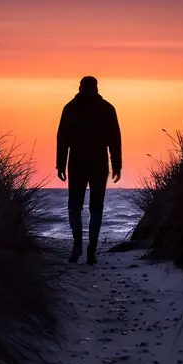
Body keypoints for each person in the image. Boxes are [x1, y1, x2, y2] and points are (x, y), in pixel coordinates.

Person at [56, 76, 122, 264]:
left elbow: (62, 138)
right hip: (97, 163)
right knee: (95, 208)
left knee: (76, 206)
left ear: (80, 87)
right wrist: (116, 164)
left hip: (78, 162)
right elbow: (115, 139)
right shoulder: (106, 108)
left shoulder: (71, 108)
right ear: (96, 88)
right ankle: (89, 249)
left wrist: (61, 163)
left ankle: (80, 245)